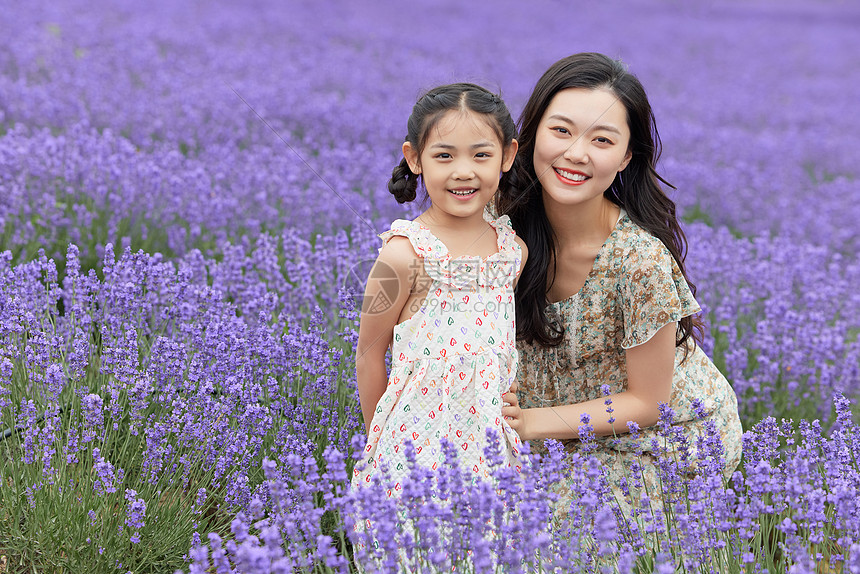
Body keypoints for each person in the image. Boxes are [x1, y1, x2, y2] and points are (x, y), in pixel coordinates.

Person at [497, 53, 742, 518]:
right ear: (529, 136)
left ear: (626, 157)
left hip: (654, 439)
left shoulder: (637, 261)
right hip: (545, 426)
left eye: (602, 140)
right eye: (561, 130)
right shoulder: (497, 227)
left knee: (540, 531)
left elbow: (647, 402)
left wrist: (527, 424)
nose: (576, 153)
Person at [352, 83, 527, 493]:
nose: (463, 171)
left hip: (489, 450)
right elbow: (368, 356)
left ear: (508, 156)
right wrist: (379, 443)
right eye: (444, 155)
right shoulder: (404, 255)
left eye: (481, 155)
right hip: (413, 448)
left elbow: (500, 348)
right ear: (414, 159)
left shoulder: (511, 252)